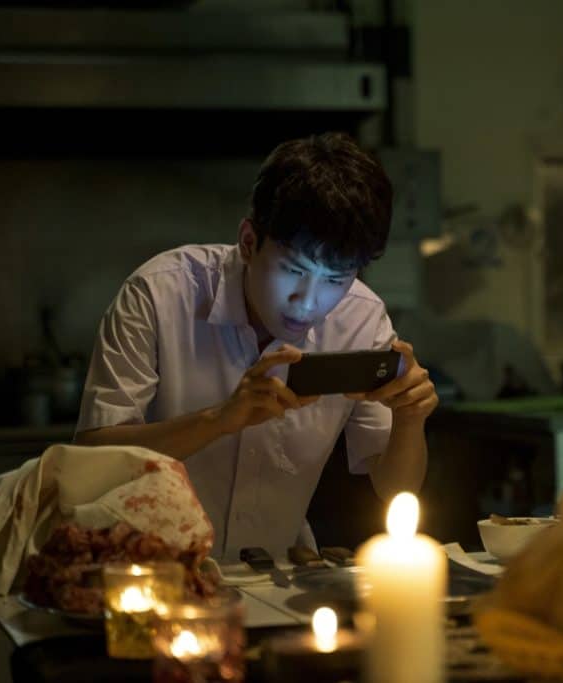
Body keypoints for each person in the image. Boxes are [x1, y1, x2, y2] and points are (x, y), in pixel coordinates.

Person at [74, 132, 438, 559]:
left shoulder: (362, 317)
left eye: (336, 279)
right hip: (147, 570)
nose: (308, 301)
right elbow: (92, 462)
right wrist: (220, 419)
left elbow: (395, 487)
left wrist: (410, 419)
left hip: (274, 576)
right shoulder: (159, 293)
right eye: (293, 270)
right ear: (249, 241)